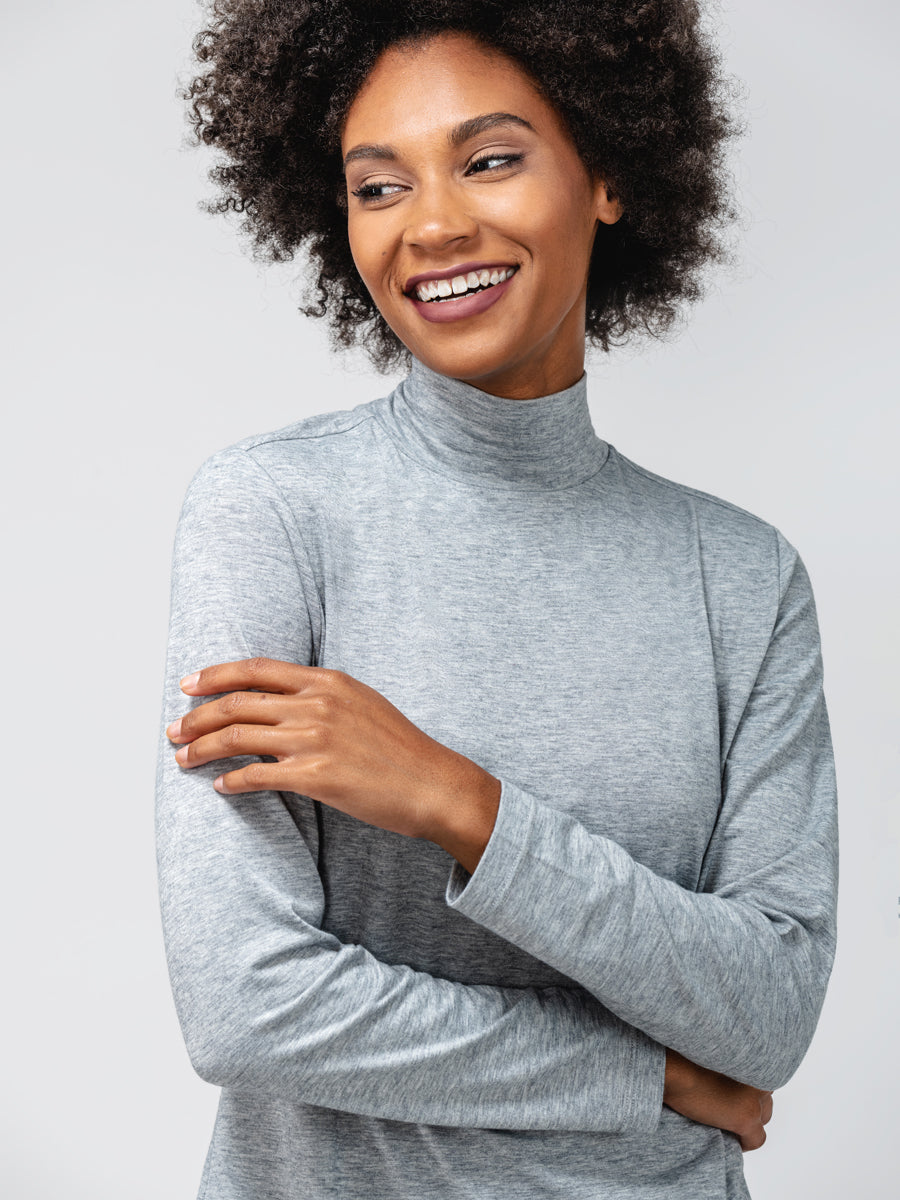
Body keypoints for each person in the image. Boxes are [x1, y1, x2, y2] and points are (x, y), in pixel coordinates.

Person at [155, 2, 838, 1197]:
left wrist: (458, 802)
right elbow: (248, 1005)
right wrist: (655, 1079)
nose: (432, 224)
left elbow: (769, 1013)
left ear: (609, 174)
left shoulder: (741, 577)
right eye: (378, 187)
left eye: (490, 160)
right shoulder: (272, 512)